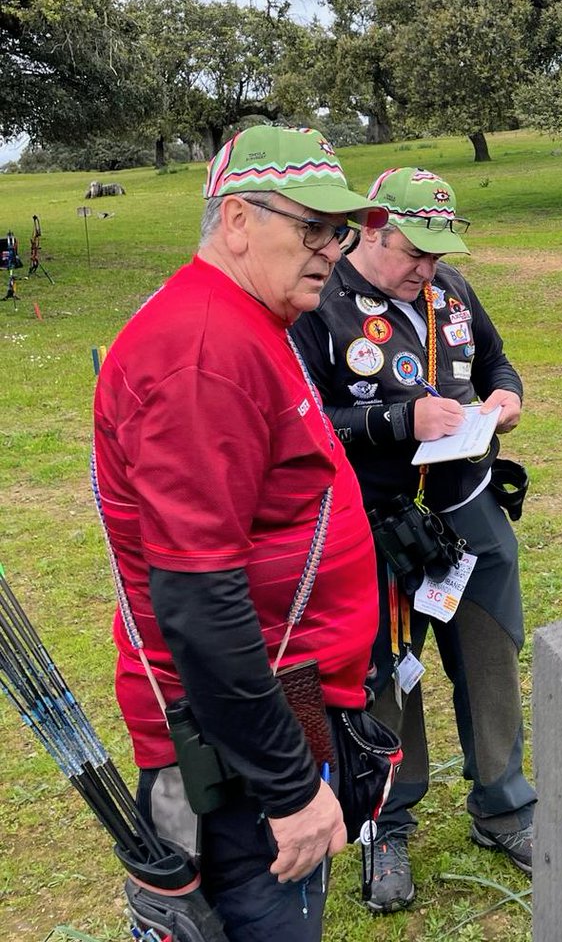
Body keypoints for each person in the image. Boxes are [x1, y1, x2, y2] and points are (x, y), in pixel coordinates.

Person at [92, 125, 381, 942]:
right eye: (312, 227)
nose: (331, 249)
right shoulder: (202, 352)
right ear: (238, 221)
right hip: (243, 753)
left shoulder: (249, 319)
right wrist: (289, 791)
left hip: (281, 709)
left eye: (341, 230)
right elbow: (199, 603)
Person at [290, 166, 536, 914]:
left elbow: (495, 360)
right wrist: (400, 423)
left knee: (491, 654)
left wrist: (506, 395)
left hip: (468, 508)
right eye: (413, 251)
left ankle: (504, 803)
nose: (426, 267)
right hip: (377, 524)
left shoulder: (450, 289)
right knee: (386, 675)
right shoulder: (320, 305)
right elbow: (301, 420)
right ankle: (386, 825)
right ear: (371, 226)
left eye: (438, 252)